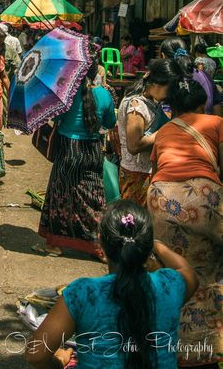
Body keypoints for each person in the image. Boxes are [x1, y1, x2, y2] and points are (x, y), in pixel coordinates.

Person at [26, 200, 198, 369]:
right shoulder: (169, 286)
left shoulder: (82, 293)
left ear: (101, 243)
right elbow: (186, 270)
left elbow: (36, 356)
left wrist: (58, 362)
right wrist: (156, 244)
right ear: (146, 246)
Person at [148, 79, 223, 367]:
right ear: (200, 102)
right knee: (212, 269)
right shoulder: (216, 122)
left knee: (174, 270)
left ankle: (172, 346)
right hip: (204, 196)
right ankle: (209, 346)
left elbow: (155, 169)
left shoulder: (164, 130)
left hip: (161, 197)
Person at [35, 57, 116, 260]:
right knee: (94, 199)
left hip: (68, 150)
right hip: (93, 150)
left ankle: (55, 244)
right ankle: (100, 245)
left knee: (60, 196)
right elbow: (110, 122)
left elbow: (57, 119)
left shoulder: (67, 96)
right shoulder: (105, 95)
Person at [117, 59, 175, 206]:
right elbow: (134, 145)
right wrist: (167, 130)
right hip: (137, 174)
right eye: (168, 89)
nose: (169, 95)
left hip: (146, 172)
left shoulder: (151, 101)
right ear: (156, 83)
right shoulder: (136, 105)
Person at [160, 37, 221, 115]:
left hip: (183, 124)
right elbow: (217, 106)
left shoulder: (169, 77)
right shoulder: (205, 75)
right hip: (208, 123)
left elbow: (167, 112)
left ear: (163, 56)